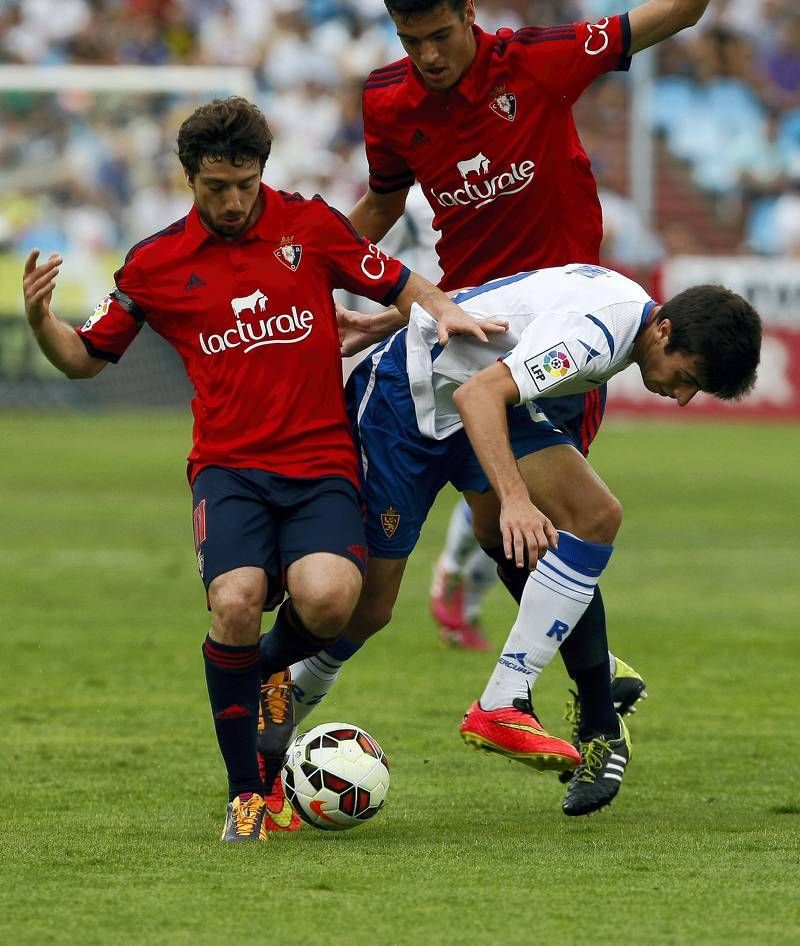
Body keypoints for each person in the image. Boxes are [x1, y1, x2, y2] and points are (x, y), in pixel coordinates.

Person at [20, 96, 504, 842]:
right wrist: (41, 322)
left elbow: (395, 279)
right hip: (229, 471)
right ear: (190, 180)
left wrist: (443, 309)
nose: (234, 201)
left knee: (331, 601)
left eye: (245, 183)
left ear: (260, 173)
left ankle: (267, 673)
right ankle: (246, 793)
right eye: (217, 187)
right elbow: (85, 360)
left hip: (319, 465)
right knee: (237, 604)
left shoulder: (308, 226)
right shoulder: (154, 263)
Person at [284, 0, 712, 737]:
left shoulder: (540, 62)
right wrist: (306, 280)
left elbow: (681, 12)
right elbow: (383, 203)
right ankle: (587, 671)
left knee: (549, 517)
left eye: (440, 37)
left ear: (468, 15)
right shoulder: (388, 100)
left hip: (557, 342)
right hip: (461, 338)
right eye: (410, 41)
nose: (428, 57)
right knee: (493, 530)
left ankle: (582, 698)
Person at [346, 262, 762, 814]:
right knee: (365, 608)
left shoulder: (623, 314)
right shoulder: (595, 339)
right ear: (663, 330)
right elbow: (479, 396)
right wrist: (517, 498)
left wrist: (385, 320)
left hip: (468, 385)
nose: (682, 397)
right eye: (687, 377)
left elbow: (508, 299)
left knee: (593, 515)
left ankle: (522, 701)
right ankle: (271, 693)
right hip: (414, 397)